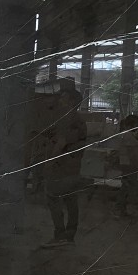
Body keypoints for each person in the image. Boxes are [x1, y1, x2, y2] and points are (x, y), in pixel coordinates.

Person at [41, 88, 87, 247]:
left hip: (62, 167)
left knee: (52, 197)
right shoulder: (79, 120)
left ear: (71, 102)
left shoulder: (67, 119)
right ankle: (69, 236)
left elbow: (61, 142)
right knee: (71, 200)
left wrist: (49, 163)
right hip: (73, 167)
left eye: (63, 98)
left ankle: (60, 234)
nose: (59, 101)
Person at [116, 114, 138, 217]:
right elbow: (132, 155)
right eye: (137, 124)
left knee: (125, 187)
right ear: (134, 124)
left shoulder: (125, 135)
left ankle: (121, 209)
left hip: (126, 164)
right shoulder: (129, 136)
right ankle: (122, 209)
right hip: (129, 165)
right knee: (129, 188)